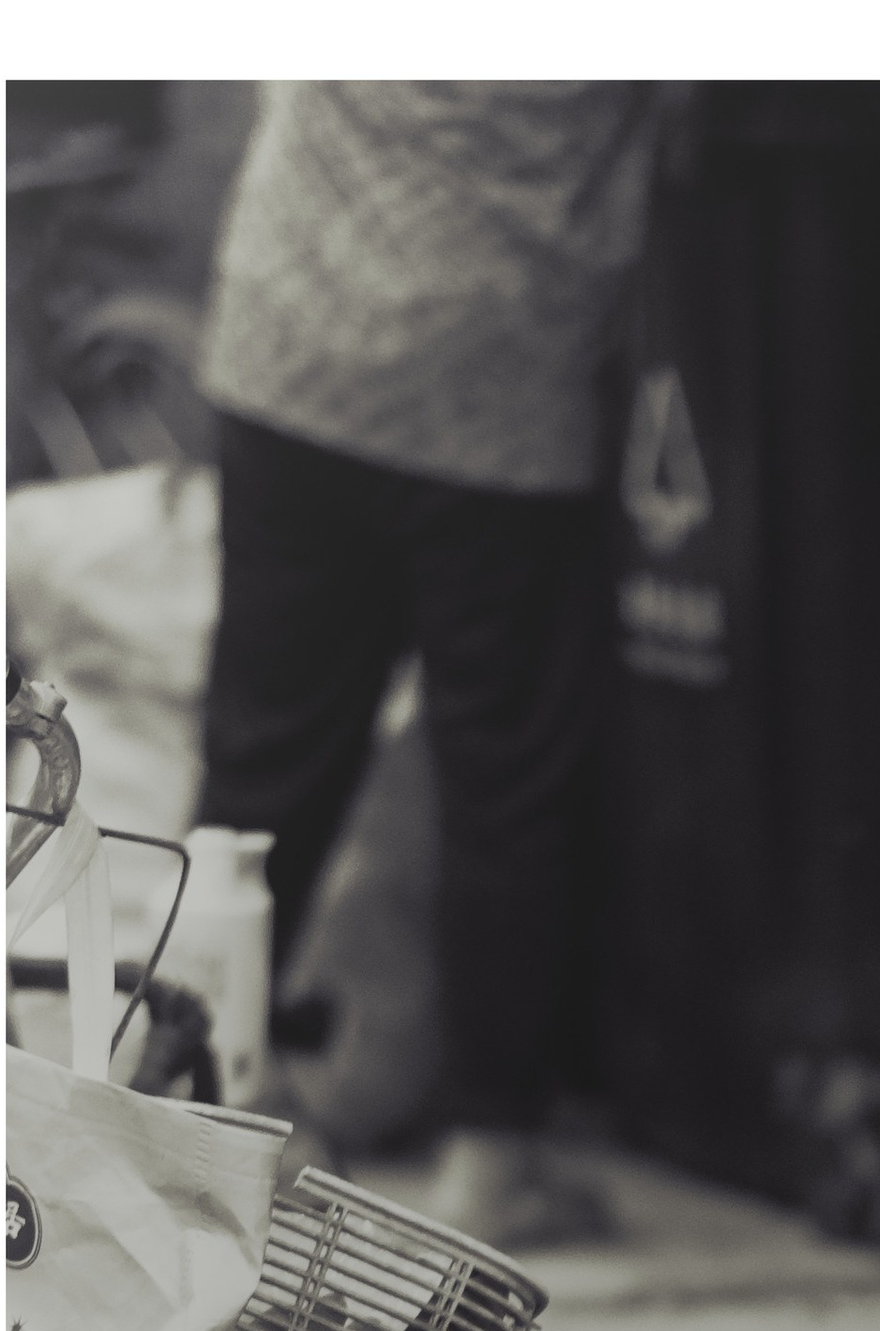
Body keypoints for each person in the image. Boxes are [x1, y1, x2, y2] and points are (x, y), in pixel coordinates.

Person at [192, 81, 658, 1251]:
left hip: (290, 334)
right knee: (504, 780)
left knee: (262, 755)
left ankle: (183, 1104)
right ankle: (494, 1159)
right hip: (489, 382)